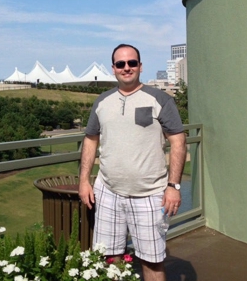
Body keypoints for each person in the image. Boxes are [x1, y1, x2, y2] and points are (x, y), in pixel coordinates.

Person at [79, 44, 186, 281]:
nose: (126, 68)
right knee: (109, 258)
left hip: (150, 194)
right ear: (113, 68)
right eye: (120, 64)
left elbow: (178, 142)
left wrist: (173, 186)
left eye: (132, 63)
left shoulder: (160, 99)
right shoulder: (102, 102)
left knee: (152, 261)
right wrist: (84, 180)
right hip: (108, 192)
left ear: (140, 66)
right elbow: (90, 140)